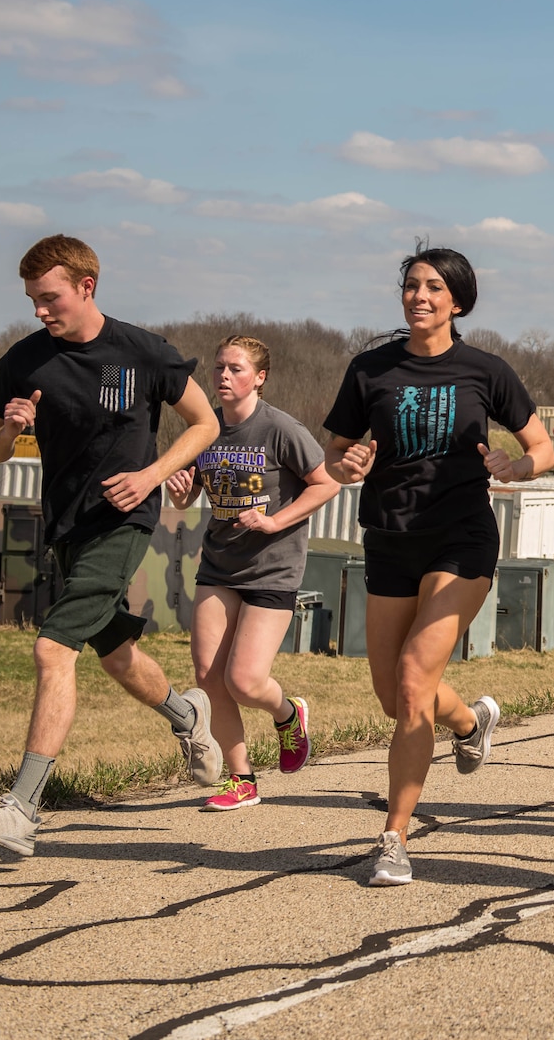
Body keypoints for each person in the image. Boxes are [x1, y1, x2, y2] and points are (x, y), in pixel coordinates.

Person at [0, 235, 224, 858]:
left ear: (86, 286)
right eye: (32, 300)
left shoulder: (142, 352)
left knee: (54, 648)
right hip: (65, 523)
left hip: (123, 521)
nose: (40, 310)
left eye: (49, 298)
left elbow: (204, 423)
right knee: (115, 652)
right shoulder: (25, 360)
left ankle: (22, 807)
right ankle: (189, 717)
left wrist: (152, 476)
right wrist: (8, 428)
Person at [323, 245, 554, 887]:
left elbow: (544, 447)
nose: (418, 297)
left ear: (458, 301)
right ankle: (471, 720)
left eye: (432, 288)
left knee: (412, 674)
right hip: (390, 536)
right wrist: (346, 466)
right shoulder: (370, 369)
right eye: (410, 286)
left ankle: (393, 837)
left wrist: (516, 467)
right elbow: (336, 450)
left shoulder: (486, 369)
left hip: (462, 537)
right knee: (394, 695)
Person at [163, 336, 339, 811]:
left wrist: (275, 521)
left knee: (244, 681)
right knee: (209, 677)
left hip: (272, 569)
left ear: (259, 377)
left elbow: (327, 484)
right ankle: (241, 779)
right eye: (219, 367)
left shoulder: (281, 428)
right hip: (219, 565)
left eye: (235, 369)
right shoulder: (203, 429)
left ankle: (287, 714)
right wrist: (181, 491)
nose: (223, 376)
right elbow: (189, 497)